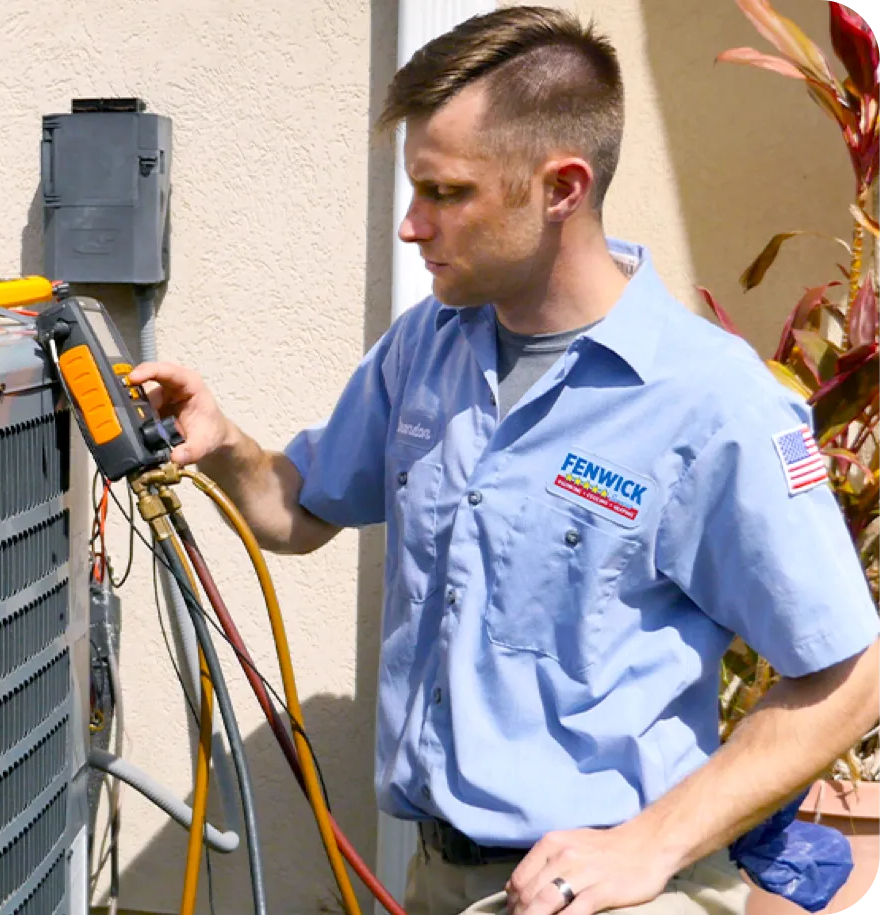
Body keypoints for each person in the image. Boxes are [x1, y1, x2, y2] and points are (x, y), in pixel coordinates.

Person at [128, 6, 881, 915]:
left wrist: (650, 844)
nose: (412, 226)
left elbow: (850, 672)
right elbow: (298, 510)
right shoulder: (426, 351)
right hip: (439, 876)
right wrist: (224, 442)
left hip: (606, 895)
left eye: (445, 194)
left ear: (562, 187)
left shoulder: (711, 402)